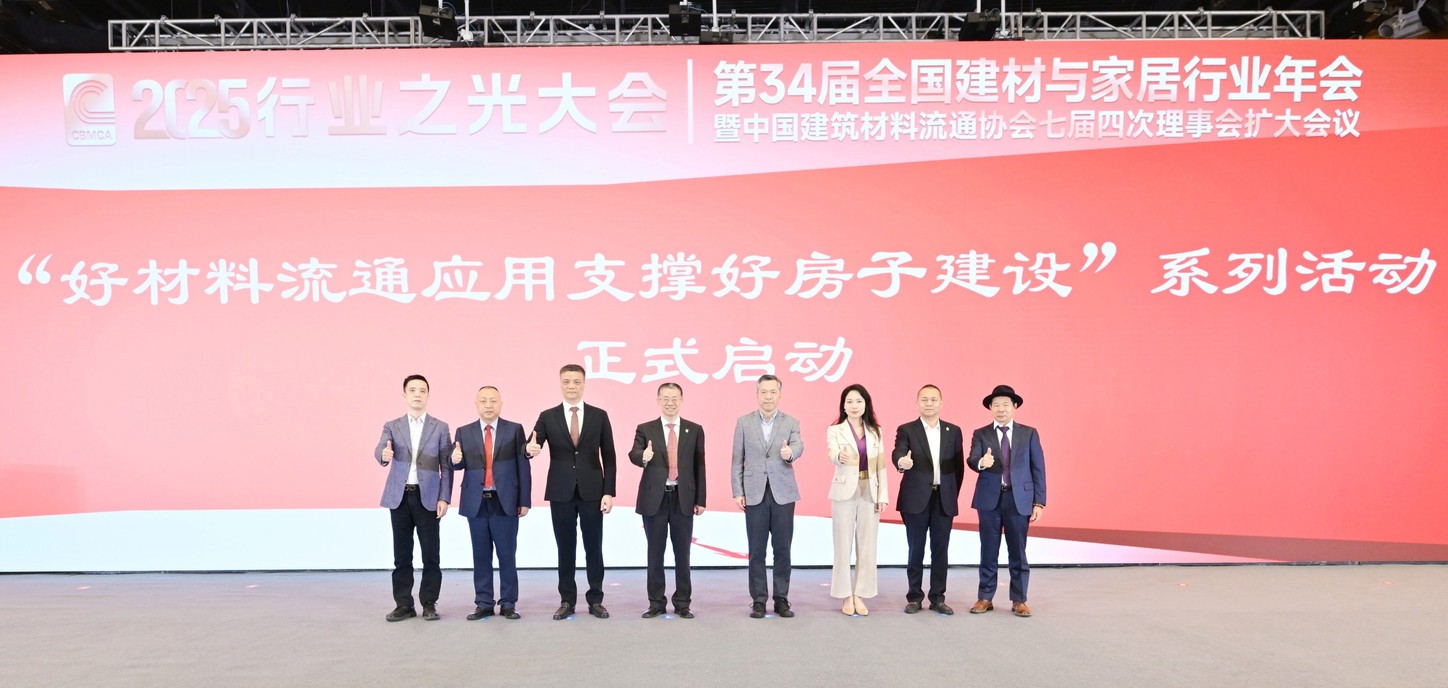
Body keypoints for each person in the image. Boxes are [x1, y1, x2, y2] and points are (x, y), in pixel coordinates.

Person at [525, 364, 617, 620]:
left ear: (584, 384)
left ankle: (596, 599)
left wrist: (608, 491)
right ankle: (567, 600)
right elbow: (531, 443)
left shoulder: (599, 415)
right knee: (565, 548)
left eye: (576, 381)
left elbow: (609, 456)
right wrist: (528, 450)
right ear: (560, 384)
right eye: (566, 381)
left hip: (593, 492)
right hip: (560, 491)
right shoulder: (548, 416)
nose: (571, 386)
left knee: (593, 547)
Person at [372, 374, 453, 622]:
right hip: (399, 498)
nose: (417, 394)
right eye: (413, 390)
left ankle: (429, 603)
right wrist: (384, 454)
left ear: (428, 395)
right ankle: (404, 604)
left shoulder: (440, 427)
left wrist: (444, 497)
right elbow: (380, 449)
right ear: (404, 395)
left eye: (422, 390)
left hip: (428, 498)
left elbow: (446, 465)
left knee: (431, 555)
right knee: (402, 555)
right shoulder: (392, 426)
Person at [449, 385, 532, 621]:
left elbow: (523, 466)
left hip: (504, 501)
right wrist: (454, 459)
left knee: (507, 555)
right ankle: (484, 603)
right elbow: (458, 464)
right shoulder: (463, 432)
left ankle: (508, 603)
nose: (488, 405)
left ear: (501, 404)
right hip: (476, 502)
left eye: (493, 401)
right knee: (480, 555)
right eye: (483, 401)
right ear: (476, 405)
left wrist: (524, 500)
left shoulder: (514, 430)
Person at [967, 384, 1048, 618]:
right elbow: (972, 459)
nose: (1001, 409)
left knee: (1018, 552)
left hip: (1019, 499)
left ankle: (1019, 599)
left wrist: (1039, 502)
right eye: (996, 405)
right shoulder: (981, 433)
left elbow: (1038, 468)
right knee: (988, 551)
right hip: (989, 500)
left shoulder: (1029, 433)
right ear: (990, 408)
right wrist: (981, 462)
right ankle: (985, 597)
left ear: (1014, 407)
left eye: (1005, 405)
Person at [628, 382, 706, 619]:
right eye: (665, 398)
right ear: (658, 401)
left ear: (681, 400)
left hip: (683, 498)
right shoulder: (646, 429)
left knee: (683, 554)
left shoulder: (694, 429)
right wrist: (644, 456)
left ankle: (683, 603)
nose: (670, 403)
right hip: (655, 499)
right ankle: (656, 602)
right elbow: (634, 454)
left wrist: (700, 499)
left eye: (674, 398)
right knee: (655, 553)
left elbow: (699, 465)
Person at [730, 374, 804, 619]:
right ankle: (759, 600)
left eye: (773, 392)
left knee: (782, 549)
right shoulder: (744, 422)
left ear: (780, 395)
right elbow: (737, 460)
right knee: (756, 551)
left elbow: (798, 446)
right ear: (757, 394)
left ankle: (781, 599)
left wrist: (789, 453)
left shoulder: (791, 421)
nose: (768, 396)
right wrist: (738, 491)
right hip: (754, 494)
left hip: (783, 494)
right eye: (764, 392)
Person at [891, 384, 965, 615]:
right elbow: (898, 452)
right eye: (924, 399)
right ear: (917, 403)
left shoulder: (953, 431)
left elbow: (959, 468)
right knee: (916, 549)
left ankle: (938, 598)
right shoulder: (907, 429)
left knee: (941, 550)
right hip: (915, 498)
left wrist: (951, 494)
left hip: (943, 498)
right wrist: (902, 462)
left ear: (941, 403)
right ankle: (914, 597)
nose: (929, 403)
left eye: (933, 399)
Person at [826, 384, 888, 616]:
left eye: (859, 401)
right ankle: (845, 594)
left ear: (866, 404)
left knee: (868, 545)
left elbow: (881, 466)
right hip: (844, 491)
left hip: (869, 491)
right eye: (850, 401)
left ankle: (860, 594)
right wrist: (839, 456)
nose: (854, 406)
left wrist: (882, 496)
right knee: (842, 544)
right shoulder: (835, 430)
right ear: (843, 405)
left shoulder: (876, 431)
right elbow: (832, 453)